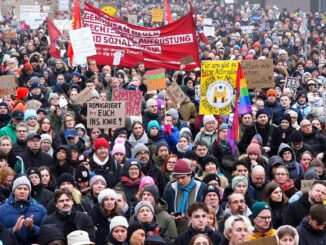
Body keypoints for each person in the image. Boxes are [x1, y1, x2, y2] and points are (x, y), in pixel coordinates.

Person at [0, 175, 47, 245]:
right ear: (13, 190)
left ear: (29, 191)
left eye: (25, 189)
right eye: (19, 188)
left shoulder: (40, 210)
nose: (22, 191)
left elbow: (46, 234)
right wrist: (13, 230)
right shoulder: (1, 210)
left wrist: (32, 228)